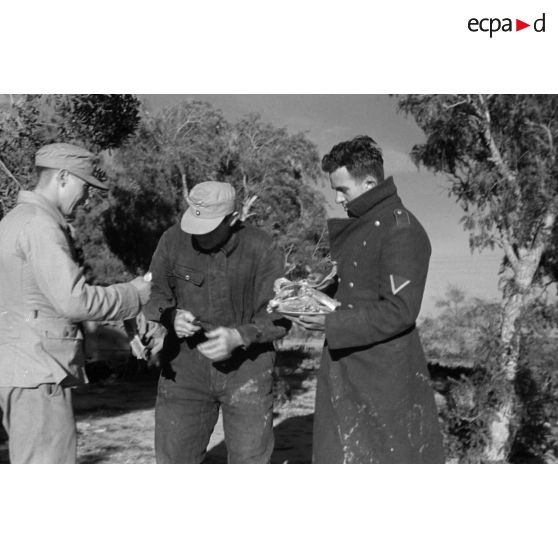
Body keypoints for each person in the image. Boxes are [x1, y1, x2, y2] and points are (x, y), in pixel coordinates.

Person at [295, 135, 444, 464]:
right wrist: (309, 297)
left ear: (370, 182)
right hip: (345, 365)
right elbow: (354, 292)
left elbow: (400, 310)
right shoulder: (364, 228)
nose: (336, 199)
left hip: (382, 377)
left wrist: (330, 323)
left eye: (342, 190)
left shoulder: (401, 229)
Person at [0, 143, 151, 464]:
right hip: (40, 375)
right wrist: (135, 294)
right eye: (85, 186)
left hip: (19, 372)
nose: (87, 196)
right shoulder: (40, 226)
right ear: (63, 177)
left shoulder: (13, 221)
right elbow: (74, 300)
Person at [144, 181, 289, 464]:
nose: (198, 235)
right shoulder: (173, 240)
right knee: (174, 461)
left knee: (250, 462)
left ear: (233, 219)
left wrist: (239, 336)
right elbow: (153, 292)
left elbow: (279, 315)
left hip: (248, 370)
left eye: (208, 227)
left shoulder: (262, 248)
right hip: (185, 370)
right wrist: (170, 316)